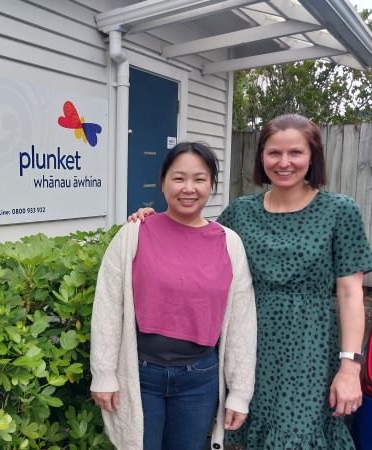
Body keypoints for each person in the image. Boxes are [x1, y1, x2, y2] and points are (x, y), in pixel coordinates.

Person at [129, 114, 372, 449]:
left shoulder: (339, 211)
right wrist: (152, 220)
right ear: (261, 157)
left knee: (297, 437)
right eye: (274, 153)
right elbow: (197, 238)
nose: (284, 162)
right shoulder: (241, 212)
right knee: (251, 434)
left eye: (295, 153)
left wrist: (349, 367)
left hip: (309, 349)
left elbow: (350, 294)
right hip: (248, 345)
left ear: (313, 156)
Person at [91, 142, 257, 450]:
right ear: (163, 182)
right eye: (179, 178)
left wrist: (239, 392)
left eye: (200, 178)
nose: (189, 188)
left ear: (212, 185)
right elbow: (108, 306)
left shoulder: (229, 244)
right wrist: (103, 374)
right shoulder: (134, 233)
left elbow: (241, 322)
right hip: (140, 377)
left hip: (200, 379)